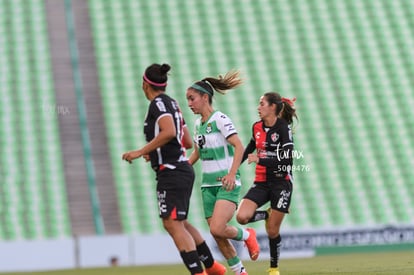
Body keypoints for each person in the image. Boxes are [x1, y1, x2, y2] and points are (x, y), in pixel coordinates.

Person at [122, 63, 224, 275]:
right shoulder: (172, 103)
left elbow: (169, 132)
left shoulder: (157, 104)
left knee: (173, 224)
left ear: (144, 84)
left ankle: (199, 272)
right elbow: (185, 141)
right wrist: (156, 151)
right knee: (180, 222)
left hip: (172, 171)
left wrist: (141, 151)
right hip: (180, 169)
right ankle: (213, 267)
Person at [185, 70, 260, 275]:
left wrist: (231, 173)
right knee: (218, 235)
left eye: (192, 99)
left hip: (226, 183)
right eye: (188, 100)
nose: (189, 104)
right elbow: (197, 153)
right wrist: (182, 167)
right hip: (207, 186)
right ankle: (240, 272)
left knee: (218, 228)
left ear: (205, 97)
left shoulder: (220, 119)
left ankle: (247, 235)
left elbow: (239, 146)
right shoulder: (198, 124)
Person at [236, 92, 298, 275]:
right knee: (241, 217)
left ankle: (273, 268)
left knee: (272, 230)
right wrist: (231, 170)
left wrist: (261, 158)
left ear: (272, 107)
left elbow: (287, 161)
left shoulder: (283, 128)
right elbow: (248, 149)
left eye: (261, 103)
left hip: (281, 183)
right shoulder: (256, 127)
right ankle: (267, 213)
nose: (258, 107)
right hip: (261, 183)